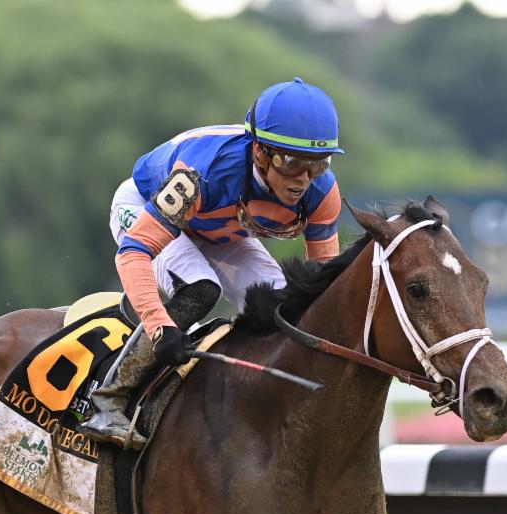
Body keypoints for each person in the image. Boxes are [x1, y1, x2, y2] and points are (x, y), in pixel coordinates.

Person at [81, 77, 343, 449]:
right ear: (260, 153)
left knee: (286, 305)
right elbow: (133, 253)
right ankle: (110, 400)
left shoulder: (322, 193)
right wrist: (161, 329)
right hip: (143, 207)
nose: (303, 179)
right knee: (201, 289)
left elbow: (323, 288)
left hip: (221, 232)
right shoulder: (201, 174)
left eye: (317, 165)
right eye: (291, 162)